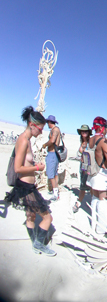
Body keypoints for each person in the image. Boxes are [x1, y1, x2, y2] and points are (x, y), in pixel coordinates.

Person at [5, 106, 56, 256]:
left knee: (31, 215)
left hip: (26, 185)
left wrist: (34, 167)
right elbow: (18, 168)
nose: (41, 132)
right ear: (32, 125)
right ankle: (39, 244)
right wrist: (37, 168)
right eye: (40, 129)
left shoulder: (26, 139)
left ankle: (34, 242)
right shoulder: (23, 140)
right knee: (47, 218)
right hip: (26, 187)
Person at [86, 117, 107, 234]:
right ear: (102, 128)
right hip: (102, 173)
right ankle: (101, 229)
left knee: (95, 197)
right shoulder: (103, 141)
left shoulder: (91, 139)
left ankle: (94, 224)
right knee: (103, 198)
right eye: (106, 128)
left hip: (92, 172)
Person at [73, 124, 92, 213]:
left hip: (89, 167)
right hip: (82, 166)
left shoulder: (90, 142)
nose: (84, 133)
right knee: (83, 184)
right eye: (82, 131)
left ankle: (81, 202)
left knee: (89, 185)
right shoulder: (82, 142)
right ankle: (80, 202)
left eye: (85, 131)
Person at [42, 114, 60, 202]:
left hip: (52, 153)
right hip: (55, 154)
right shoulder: (56, 129)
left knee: (50, 174)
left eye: (47, 122)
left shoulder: (55, 130)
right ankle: (55, 191)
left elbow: (52, 140)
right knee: (55, 173)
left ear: (50, 122)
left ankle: (55, 194)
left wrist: (45, 144)